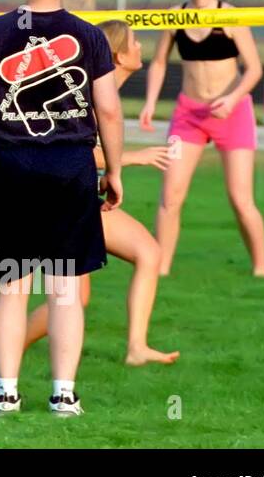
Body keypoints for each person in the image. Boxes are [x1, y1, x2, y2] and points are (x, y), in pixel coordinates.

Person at [0, 0, 124, 417]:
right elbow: (108, 109)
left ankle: (6, 394)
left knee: (12, 285)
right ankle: (63, 395)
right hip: (72, 167)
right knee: (65, 286)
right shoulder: (90, 36)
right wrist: (112, 169)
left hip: (11, 167)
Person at [24, 20, 180, 366]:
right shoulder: (87, 94)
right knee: (74, 296)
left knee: (147, 254)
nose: (141, 47)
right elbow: (70, 149)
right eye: (136, 42)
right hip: (53, 198)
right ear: (120, 54)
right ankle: (11, 347)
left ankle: (137, 348)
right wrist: (130, 159)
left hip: (74, 195)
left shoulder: (102, 89)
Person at [139, 0, 264, 276]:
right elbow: (158, 63)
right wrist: (150, 103)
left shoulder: (230, 17)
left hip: (232, 113)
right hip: (188, 116)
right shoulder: (176, 16)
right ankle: (161, 269)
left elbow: (254, 69)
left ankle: (261, 268)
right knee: (170, 196)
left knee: (240, 199)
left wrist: (232, 99)